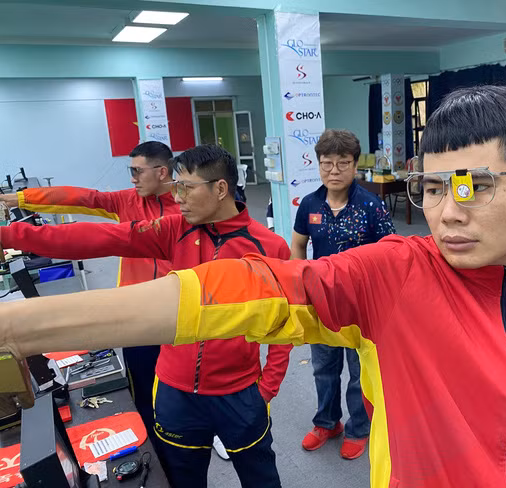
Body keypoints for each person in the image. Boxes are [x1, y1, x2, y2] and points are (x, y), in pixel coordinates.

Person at [1, 86, 506, 487]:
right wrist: (15, 326)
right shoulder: (396, 275)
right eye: (430, 187)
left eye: (475, 185)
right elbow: (243, 289)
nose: (448, 211)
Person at [1, 145, 291, 488]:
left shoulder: (269, 247)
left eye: (187, 188)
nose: (178, 197)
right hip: (175, 391)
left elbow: (285, 326)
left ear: (220, 188)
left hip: (239, 391)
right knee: (180, 479)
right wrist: (9, 235)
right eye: (176, 187)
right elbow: (97, 237)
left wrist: (267, 388)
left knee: (261, 479)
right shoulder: (174, 230)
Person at [0, 141, 176, 444]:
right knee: (144, 388)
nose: (132, 177)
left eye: (137, 171)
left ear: (162, 172)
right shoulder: (128, 201)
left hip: (180, 311)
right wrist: (17, 198)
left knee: (191, 384)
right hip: (136, 316)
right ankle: (152, 438)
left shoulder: (189, 206)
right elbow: (80, 197)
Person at [291, 129, 395, 459]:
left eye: (342, 163)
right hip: (321, 301)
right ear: (319, 164)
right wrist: (299, 284)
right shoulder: (310, 204)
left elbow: (390, 253)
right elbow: (298, 244)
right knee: (323, 368)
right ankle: (326, 422)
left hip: (361, 305)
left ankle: (358, 428)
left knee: (358, 372)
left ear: (354, 165)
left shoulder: (371, 206)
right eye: (327, 163)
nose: (334, 171)